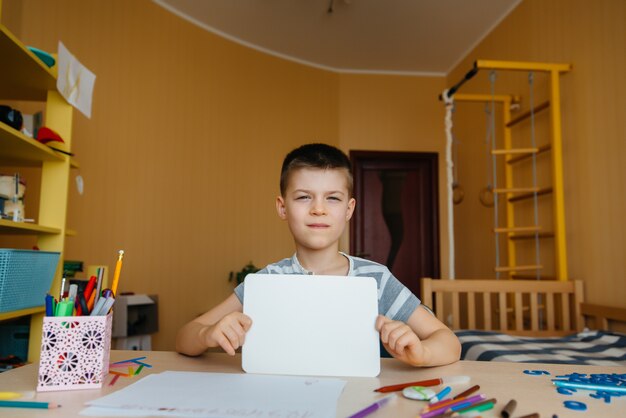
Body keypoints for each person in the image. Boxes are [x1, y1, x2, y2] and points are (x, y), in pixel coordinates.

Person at [176, 143, 461, 367]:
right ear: (282, 207)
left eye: (332, 198)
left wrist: (421, 352)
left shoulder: (376, 279)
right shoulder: (266, 281)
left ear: (349, 209)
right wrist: (207, 333)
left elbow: (449, 342)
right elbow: (185, 336)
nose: (318, 209)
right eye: (303, 197)